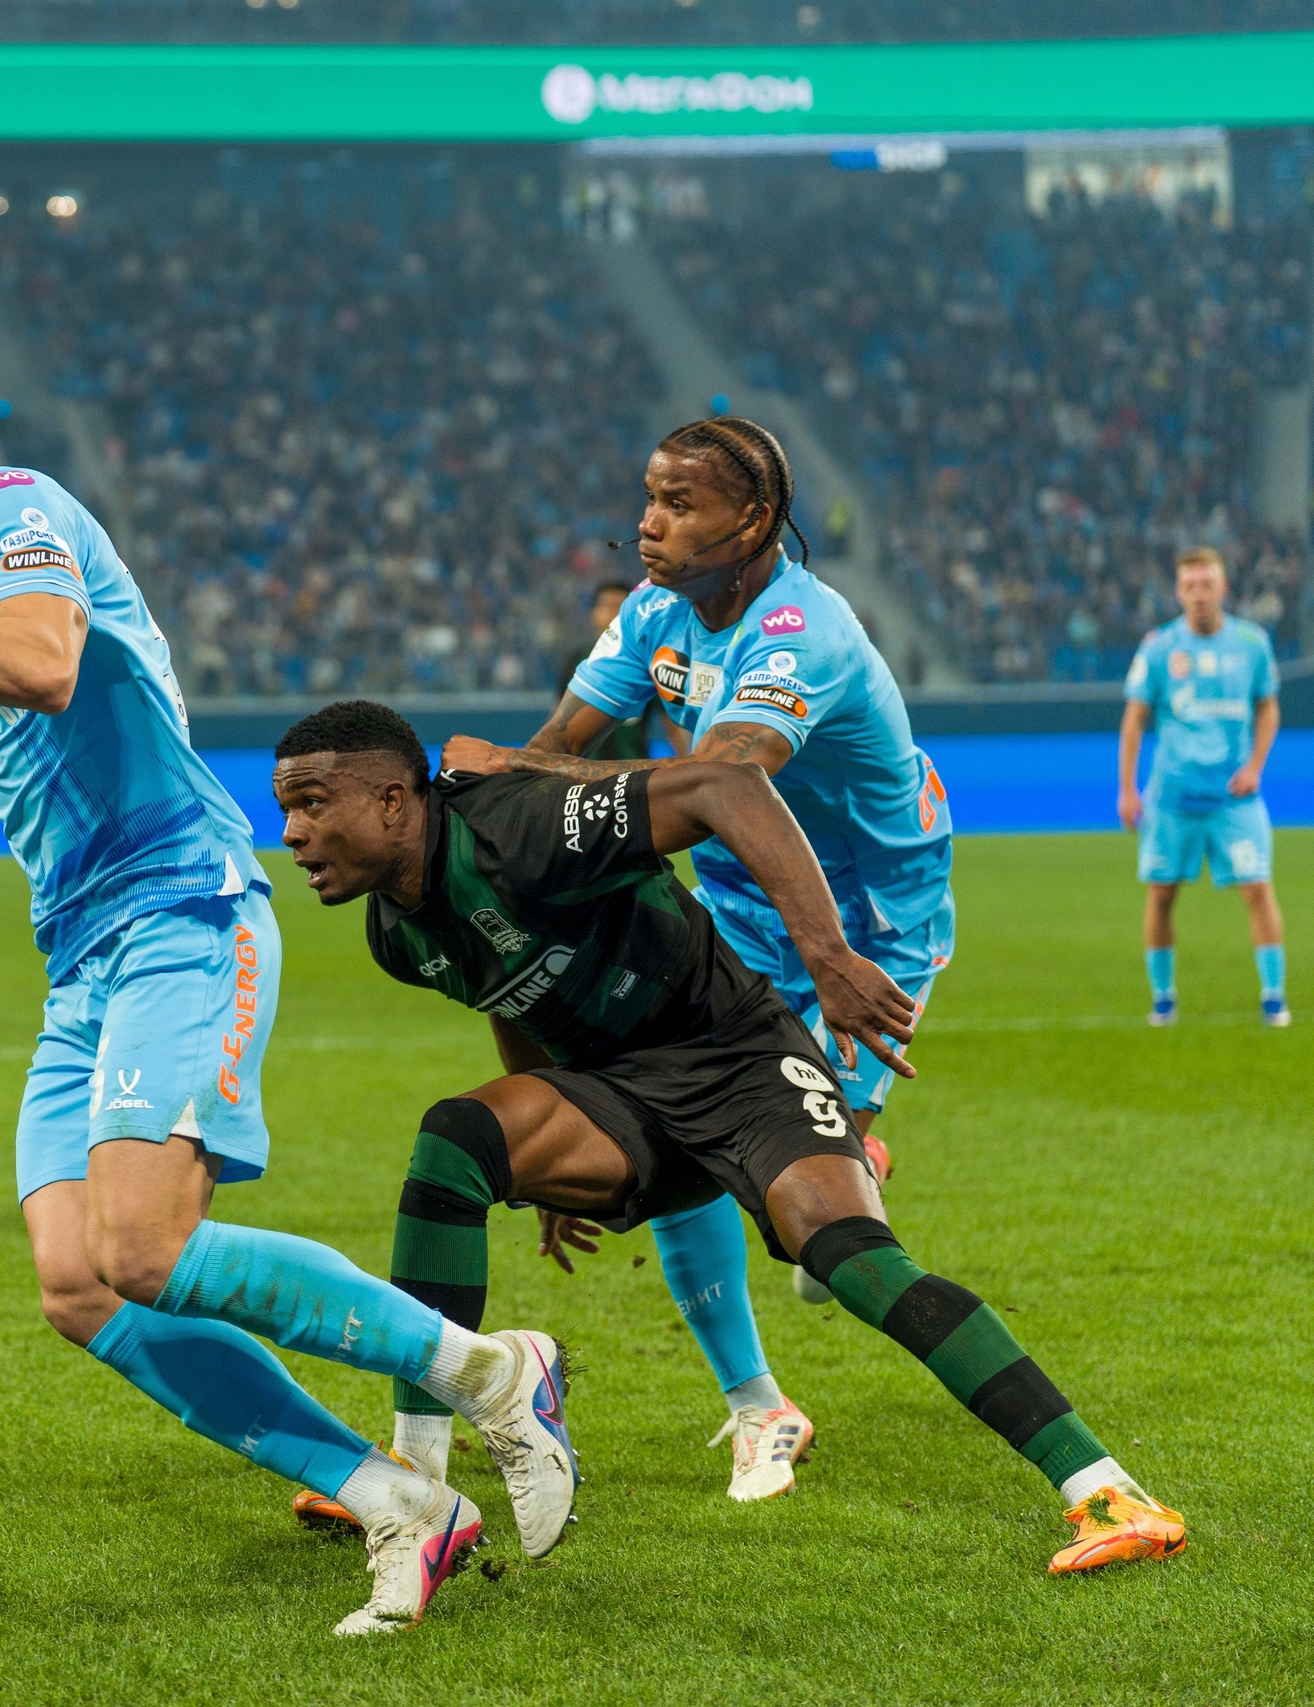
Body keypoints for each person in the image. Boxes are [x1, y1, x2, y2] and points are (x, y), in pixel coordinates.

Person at [0, 370, 573, 1638]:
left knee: (142, 1246)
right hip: (83, 958)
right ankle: (401, 1502)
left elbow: (41, 664)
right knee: (80, 1285)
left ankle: (492, 1371)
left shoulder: (11, 509)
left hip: (181, 913)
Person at [275, 699, 1184, 1576]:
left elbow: (726, 787)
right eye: (287, 810)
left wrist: (827, 956)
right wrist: (539, 1146)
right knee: (456, 1141)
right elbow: (509, 996)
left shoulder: (522, 824)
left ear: (394, 798)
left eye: (312, 804)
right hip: (616, 1096)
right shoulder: (394, 932)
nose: (292, 834)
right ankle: (413, 1482)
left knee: (848, 1257)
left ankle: (1110, 1491)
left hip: (737, 1060)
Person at [435, 417, 954, 1504]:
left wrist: (507, 767)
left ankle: (851, 1155)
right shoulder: (654, 614)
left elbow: (724, 779)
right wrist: (517, 774)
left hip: (861, 922)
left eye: (676, 504)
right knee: (687, 1139)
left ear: (754, 519)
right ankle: (759, 1407)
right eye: (646, 497)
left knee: (811, 1225)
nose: (646, 523)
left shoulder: (800, 632)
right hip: (730, 902)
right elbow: (563, 750)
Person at [1118, 546, 1287, 1027]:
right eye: (1189, 586)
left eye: (1206, 584)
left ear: (1223, 588)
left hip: (1234, 796)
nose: (1198, 594)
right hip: (1172, 797)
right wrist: (1129, 789)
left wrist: (1256, 765)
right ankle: (1163, 998)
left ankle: (1274, 997)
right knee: (1162, 894)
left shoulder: (1252, 644)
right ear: (1178, 591)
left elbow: (1268, 707)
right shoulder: (1158, 647)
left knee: (1258, 889)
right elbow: (1134, 719)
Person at [555, 582, 682, 763]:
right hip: (584, 775)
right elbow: (558, 716)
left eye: (619, 607)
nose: (611, 614)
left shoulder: (649, 662)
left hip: (631, 776)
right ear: (593, 613)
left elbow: (670, 724)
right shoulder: (575, 660)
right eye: (606, 606)